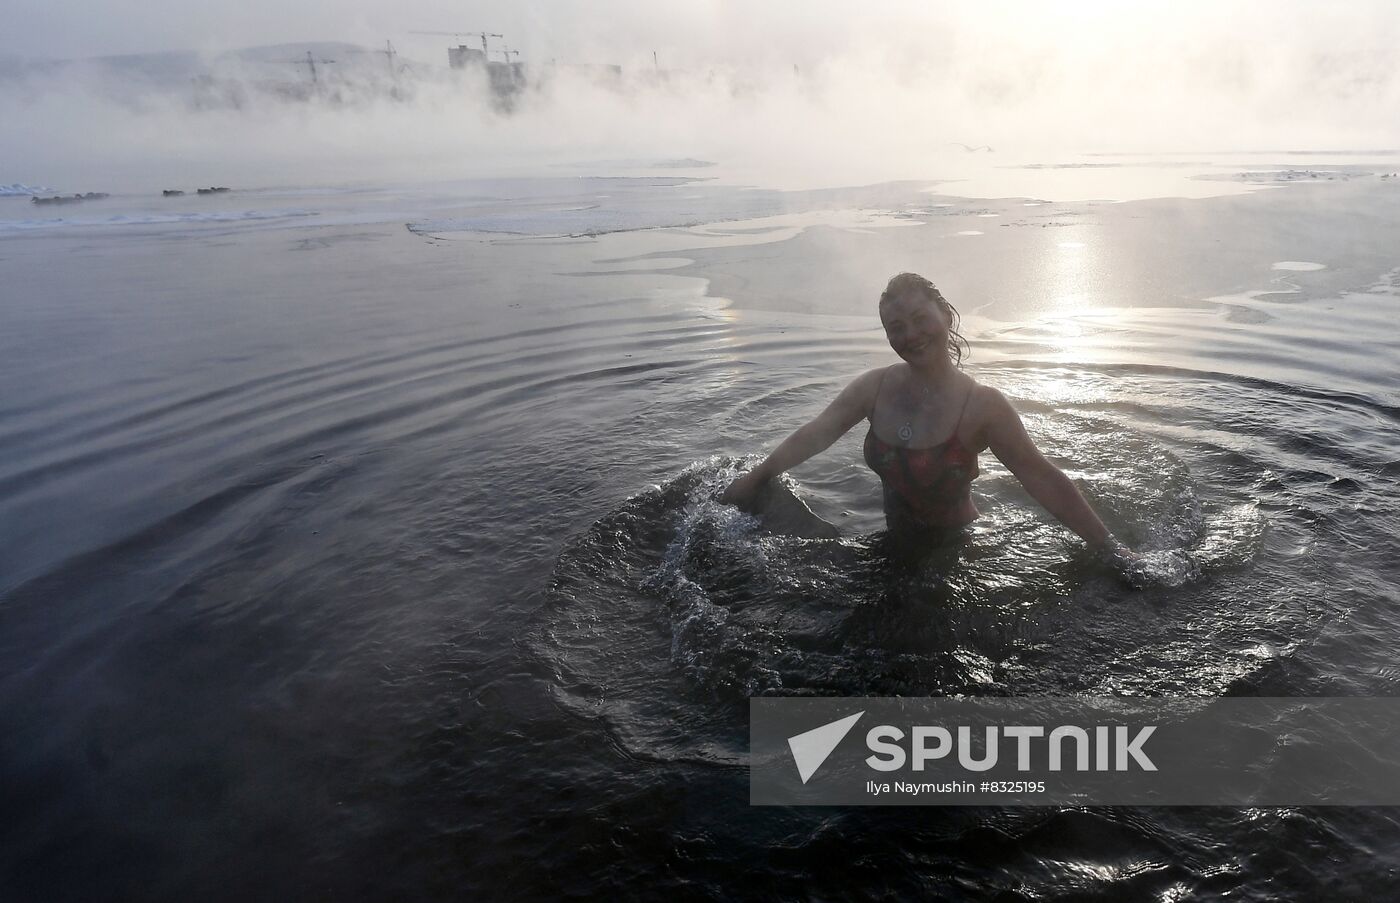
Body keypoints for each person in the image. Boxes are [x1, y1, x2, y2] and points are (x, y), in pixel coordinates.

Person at [720, 272, 1135, 563]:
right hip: (893, 542)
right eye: (896, 327)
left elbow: (1041, 477)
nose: (911, 335)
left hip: (958, 550)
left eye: (921, 319)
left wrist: (1112, 551)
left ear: (946, 316)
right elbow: (814, 436)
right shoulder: (875, 388)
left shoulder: (982, 406)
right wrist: (754, 478)